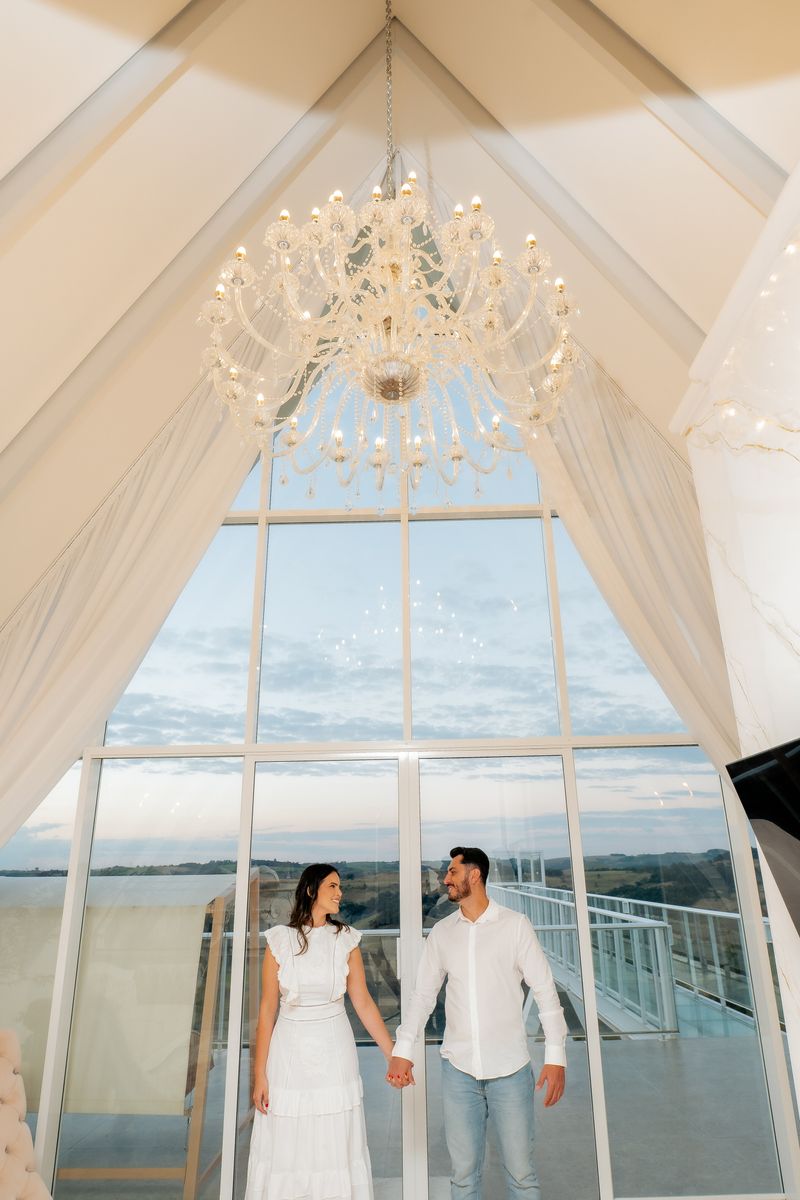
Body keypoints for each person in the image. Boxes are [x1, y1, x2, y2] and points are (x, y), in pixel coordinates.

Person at [386, 847, 568, 1200]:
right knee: (463, 1178)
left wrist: (555, 1056)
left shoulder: (515, 925)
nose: (445, 879)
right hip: (459, 1072)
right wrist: (402, 1050)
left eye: (452, 872)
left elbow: (545, 991)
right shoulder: (442, 933)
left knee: (522, 1175)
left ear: (474, 875)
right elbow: (422, 996)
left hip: (510, 1070)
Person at [245, 863, 397, 1200]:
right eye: (332, 886)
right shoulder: (279, 940)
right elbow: (267, 1011)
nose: (340, 893)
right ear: (311, 890)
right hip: (289, 1053)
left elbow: (363, 1002)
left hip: (334, 1049)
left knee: (334, 1136)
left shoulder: (346, 939)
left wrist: (393, 1055)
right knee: (289, 1137)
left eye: (340, 886)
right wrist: (260, 1075)